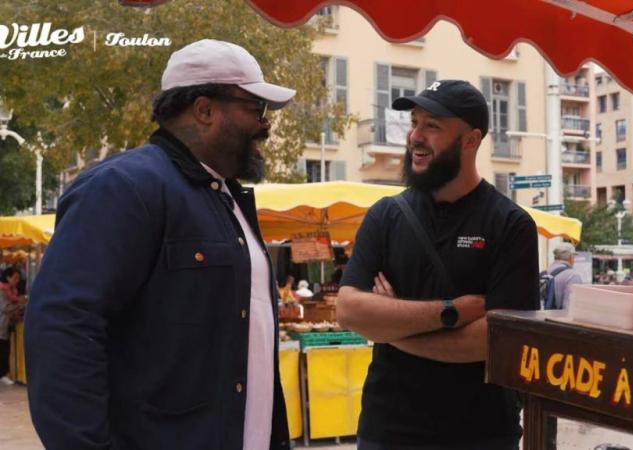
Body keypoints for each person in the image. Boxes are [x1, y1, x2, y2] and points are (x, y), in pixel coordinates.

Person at [24, 39, 296, 450]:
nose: (265, 125)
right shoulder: (123, 188)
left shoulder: (226, 198)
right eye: (254, 109)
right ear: (204, 110)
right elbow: (64, 329)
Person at [337, 80, 539, 449]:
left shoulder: (511, 224)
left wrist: (392, 328)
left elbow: (500, 341)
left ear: (470, 140)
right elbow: (350, 310)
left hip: (481, 435)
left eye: (432, 126)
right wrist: (452, 312)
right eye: (414, 122)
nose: (415, 136)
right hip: (389, 430)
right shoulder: (385, 215)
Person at [0, 267, 23, 385]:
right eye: (15, 277)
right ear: (8, 277)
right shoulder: (2, 291)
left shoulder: (13, 291)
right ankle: (2, 374)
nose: (17, 280)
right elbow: (5, 308)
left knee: (5, 348)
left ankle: (4, 373)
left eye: (18, 278)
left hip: (7, 325)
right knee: (3, 349)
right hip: (2, 324)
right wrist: (21, 307)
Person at [545, 242, 583, 310]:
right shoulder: (572, 276)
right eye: (574, 256)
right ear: (571, 256)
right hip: (554, 319)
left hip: (536, 317)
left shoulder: (544, 273)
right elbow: (570, 308)